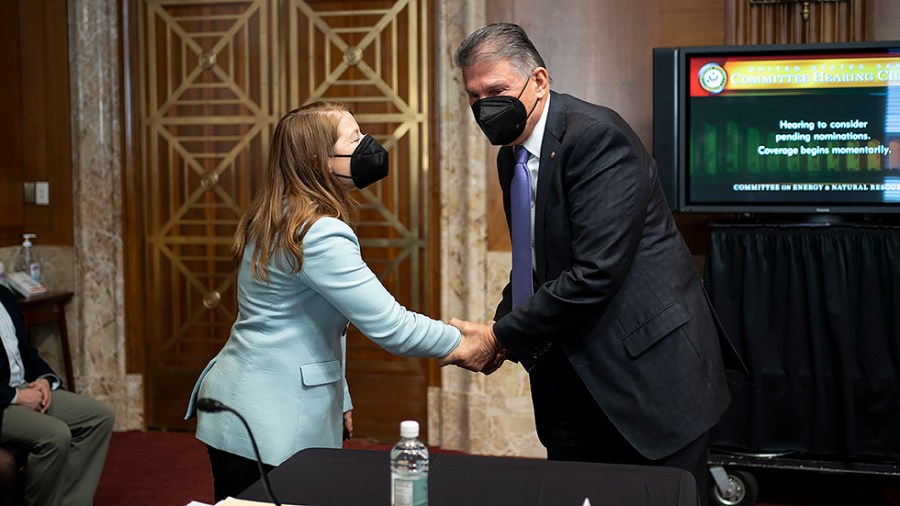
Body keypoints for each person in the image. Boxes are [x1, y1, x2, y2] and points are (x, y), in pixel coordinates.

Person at [448, 23, 741, 505]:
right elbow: (535, 265)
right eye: (474, 97)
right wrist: (498, 329)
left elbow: (595, 273)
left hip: (651, 381)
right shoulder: (512, 158)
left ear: (538, 81)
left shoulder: (597, 138)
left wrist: (499, 338)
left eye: (497, 91)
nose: (485, 109)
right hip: (573, 382)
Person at [184, 101, 493, 502]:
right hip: (266, 417)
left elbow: (306, 324)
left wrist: (338, 397)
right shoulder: (319, 233)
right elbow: (392, 326)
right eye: (354, 138)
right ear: (320, 160)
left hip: (248, 402)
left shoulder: (282, 214)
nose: (368, 145)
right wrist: (472, 341)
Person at [0, 285, 115, 506]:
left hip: (25, 386)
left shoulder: (5, 295)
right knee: (56, 434)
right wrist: (18, 396)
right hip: (4, 401)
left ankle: (70, 502)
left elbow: (27, 352)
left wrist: (44, 379)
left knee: (99, 417)